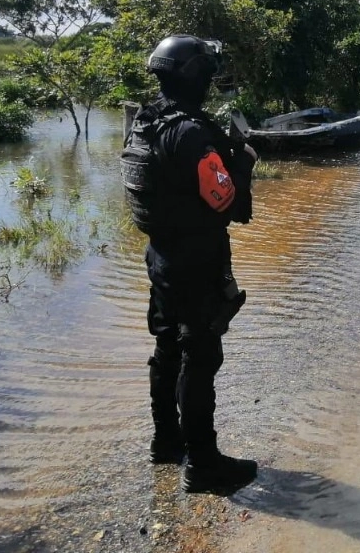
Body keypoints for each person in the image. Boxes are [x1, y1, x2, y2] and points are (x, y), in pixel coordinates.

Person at [120, 34, 258, 495]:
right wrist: (244, 163)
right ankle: (203, 464)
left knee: (166, 347)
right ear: (197, 75)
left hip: (160, 256)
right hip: (196, 259)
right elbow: (227, 201)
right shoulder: (192, 132)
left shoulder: (145, 121)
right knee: (200, 357)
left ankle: (166, 442)